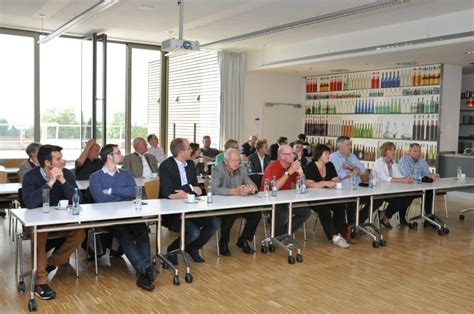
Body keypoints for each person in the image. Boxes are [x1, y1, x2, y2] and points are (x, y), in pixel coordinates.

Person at [89, 144, 157, 291]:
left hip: (130, 214)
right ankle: (146, 268)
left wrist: (112, 191)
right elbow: (101, 199)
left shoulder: (125, 174)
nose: (121, 155)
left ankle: (143, 271)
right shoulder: (95, 177)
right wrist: (122, 197)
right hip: (109, 217)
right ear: (109, 157)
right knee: (124, 235)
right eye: (118, 152)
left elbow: (133, 192)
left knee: (142, 232)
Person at [22, 145, 85, 300]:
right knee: (40, 233)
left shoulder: (67, 174)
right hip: (37, 223)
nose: (63, 161)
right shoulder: (30, 177)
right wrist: (50, 182)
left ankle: (49, 264)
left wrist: (62, 180)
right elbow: (30, 203)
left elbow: (78, 200)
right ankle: (40, 282)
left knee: (79, 233)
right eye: (58, 159)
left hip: (60, 222)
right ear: (48, 163)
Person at [159, 138, 220, 264]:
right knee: (193, 231)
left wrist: (185, 192)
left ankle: (193, 248)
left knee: (214, 223)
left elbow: (197, 189)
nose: (191, 150)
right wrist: (189, 189)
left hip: (191, 207)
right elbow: (169, 193)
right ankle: (172, 250)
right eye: (188, 148)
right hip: (171, 211)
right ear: (181, 152)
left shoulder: (191, 164)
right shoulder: (166, 166)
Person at [212, 148, 260, 256]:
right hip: (222, 206)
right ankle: (223, 242)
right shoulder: (217, 169)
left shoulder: (242, 169)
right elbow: (214, 189)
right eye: (233, 160)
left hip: (239, 204)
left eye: (238, 160)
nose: (236, 163)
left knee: (256, 214)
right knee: (230, 215)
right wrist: (234, 191)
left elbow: (253, 185)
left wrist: (252, 189)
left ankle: (243, 240)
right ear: (225, 161)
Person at [304, 144, 350, 248]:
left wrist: (323, 183)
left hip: (329, 196)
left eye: (329, 153)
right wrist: (325, 183)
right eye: (326, 153)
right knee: (323, 209)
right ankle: (335, 236)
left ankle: (336, 233)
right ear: (319, 154)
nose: (328, 155)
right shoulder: (310, 166)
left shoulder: (330, 165)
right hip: (314, 198)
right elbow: (310, 184)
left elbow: (336, 181)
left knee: (340, 206)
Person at [261, 144, 311, 237]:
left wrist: (301, 174)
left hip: (285, 200)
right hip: (269, 200)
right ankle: (278, 236)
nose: (293, 156)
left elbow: (303, 186)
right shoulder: (272, 167)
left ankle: (283, 234)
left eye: (293, 153)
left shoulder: (290, 166)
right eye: (290, 154)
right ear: (282, 156)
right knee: (283, 212)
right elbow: (275, 188)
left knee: (306, 212)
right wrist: (288, 173)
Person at [373, 142, 415, 228]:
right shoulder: (378, 162)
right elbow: (384, 178)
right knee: (399, 200)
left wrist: (407, 179)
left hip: (391, 190)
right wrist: (402, 180)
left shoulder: (393, 163)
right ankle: (386, 218)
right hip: (380, 191)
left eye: (393, 150)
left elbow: (399, 176)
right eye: (391, 150)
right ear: (385, 151)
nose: (393, 152)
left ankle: (384, 214)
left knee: (408, 197)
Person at [398, 143, 440, 224]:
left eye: (419, 151)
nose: (418, 153)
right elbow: (408, 176)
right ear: (409, 151)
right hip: (406, 186)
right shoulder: (403, 161)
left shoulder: (421, 160)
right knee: (408, 194)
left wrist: (431, 175)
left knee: (429, 191)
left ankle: (428, 218)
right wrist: (422, 178)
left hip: (419, 186)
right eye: (415, 151)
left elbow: (426, 173)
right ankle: (402, 218)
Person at [329, 136, 366, 225]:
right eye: (347, 144)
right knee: (352, 202)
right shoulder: (333, 157)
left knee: (374, 200)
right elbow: (336, 175)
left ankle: (359, 220)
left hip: (357, 189)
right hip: (343, 190)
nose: (350, 147)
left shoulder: (352, 156)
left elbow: (363, 170)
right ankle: (351, 226)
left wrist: (351, 167)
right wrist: (352, 173)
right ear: (340, 146)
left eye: (350, 144)